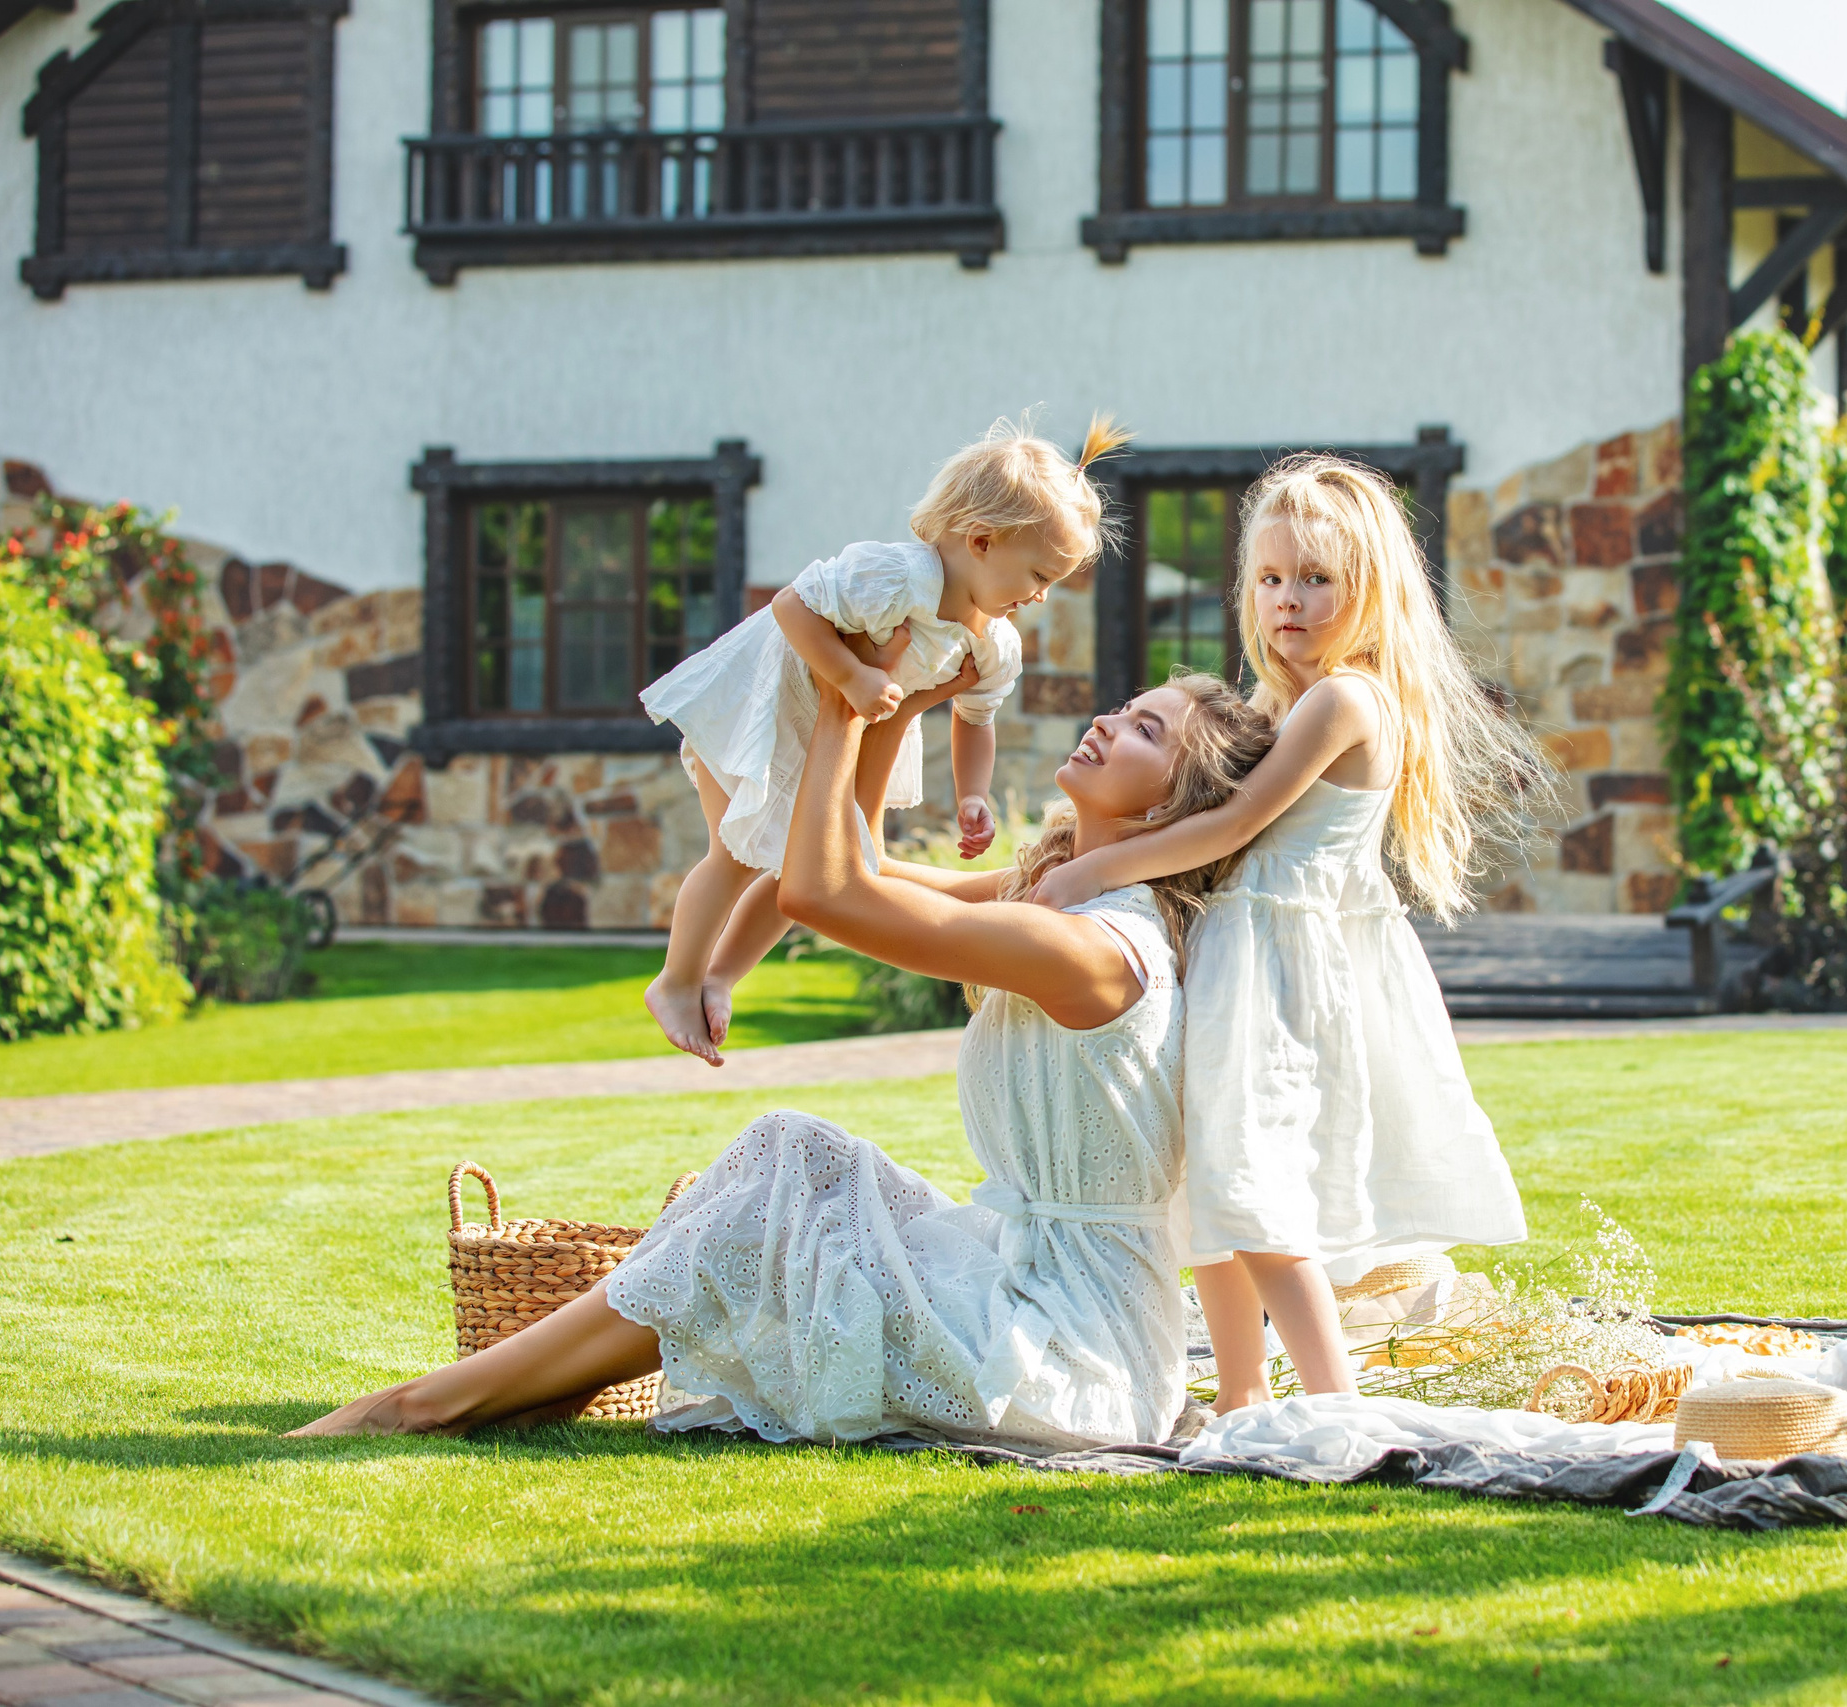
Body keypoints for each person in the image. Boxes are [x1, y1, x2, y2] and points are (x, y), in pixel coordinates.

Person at [289, 667, 1275, 1447]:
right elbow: (862, 865)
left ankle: (433, 1404)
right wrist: (904, 702)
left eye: (1147, 731)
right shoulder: (1059, 898)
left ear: (1166, 815)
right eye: (1131, 707)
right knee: (795, 1157)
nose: (1111, 721)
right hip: (1023, 1282)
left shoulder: (1096, 950)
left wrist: (852, 709)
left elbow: (825, 893)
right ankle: (501, 1392)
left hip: (1068, 1352)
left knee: (780, 1176)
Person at [1030, 454, 1552, 1414]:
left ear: (1367, 591)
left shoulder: (1344, 700)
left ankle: (1330, 1401)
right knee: (1211, 1191)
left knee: (1258, 1188)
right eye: (1270, 579)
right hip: (1238, 961)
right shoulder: (1276, 701)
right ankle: (1239, 1397)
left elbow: (1232, 825)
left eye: (1317, 579)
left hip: (1282, 971)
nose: (1288, 600)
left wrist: (1091, 869)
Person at [637, 414, 1133, 1065]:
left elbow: (975, 719)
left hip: (828, 733)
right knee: (734, 854)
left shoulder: (992, 642)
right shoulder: (898, 578)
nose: (1042, 597)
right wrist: (849, 673)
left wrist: (974, 794)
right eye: (1038, 575)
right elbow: (791, 607)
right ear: (980, 540)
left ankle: (721, 975)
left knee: (809, 860)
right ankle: (675, 980)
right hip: (765, 709)